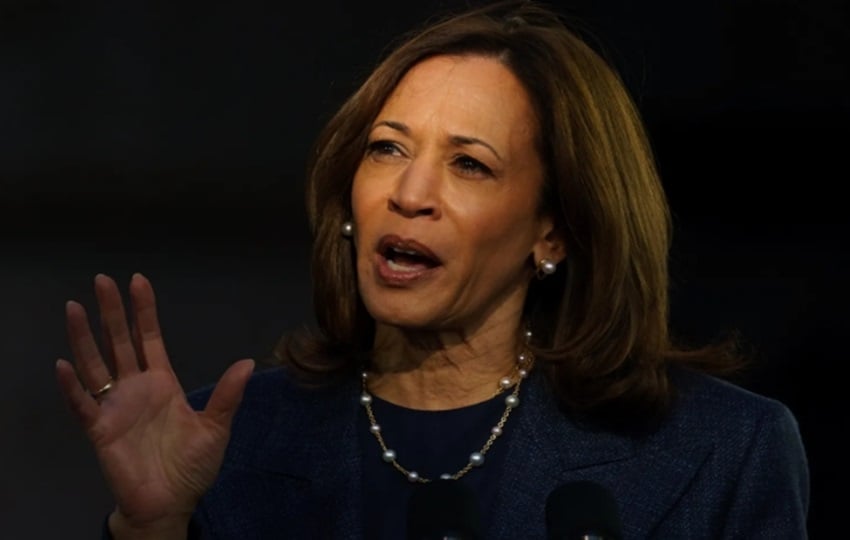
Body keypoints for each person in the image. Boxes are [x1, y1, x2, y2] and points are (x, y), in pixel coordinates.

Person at [55, 1, 810, 538]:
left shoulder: (722, 451)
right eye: (387, 148)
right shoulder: (229, 446)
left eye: (469, 165)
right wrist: (151, 529)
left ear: (554, 232)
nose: (410, 194)